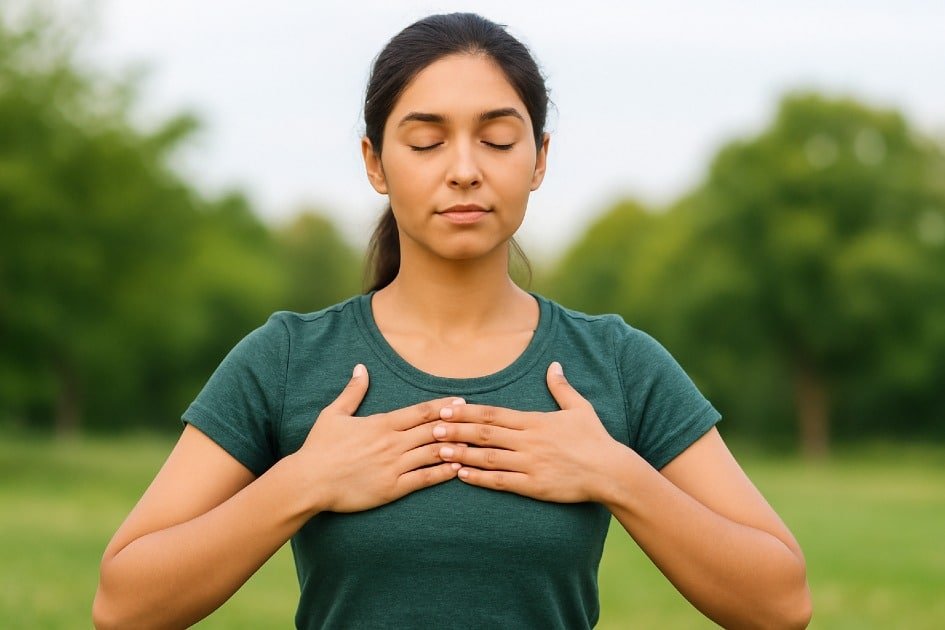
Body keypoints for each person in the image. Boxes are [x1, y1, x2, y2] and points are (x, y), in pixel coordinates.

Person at [93, 12, 812, 630]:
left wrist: (613, 473)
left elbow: (780, 602)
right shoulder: (286, 359)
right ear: (375, 162)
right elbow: (122, 606)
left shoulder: (616, 363)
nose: (464, 169)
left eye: (497, 139)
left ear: (538, 159)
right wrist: (303, 482)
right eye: (426, 140)